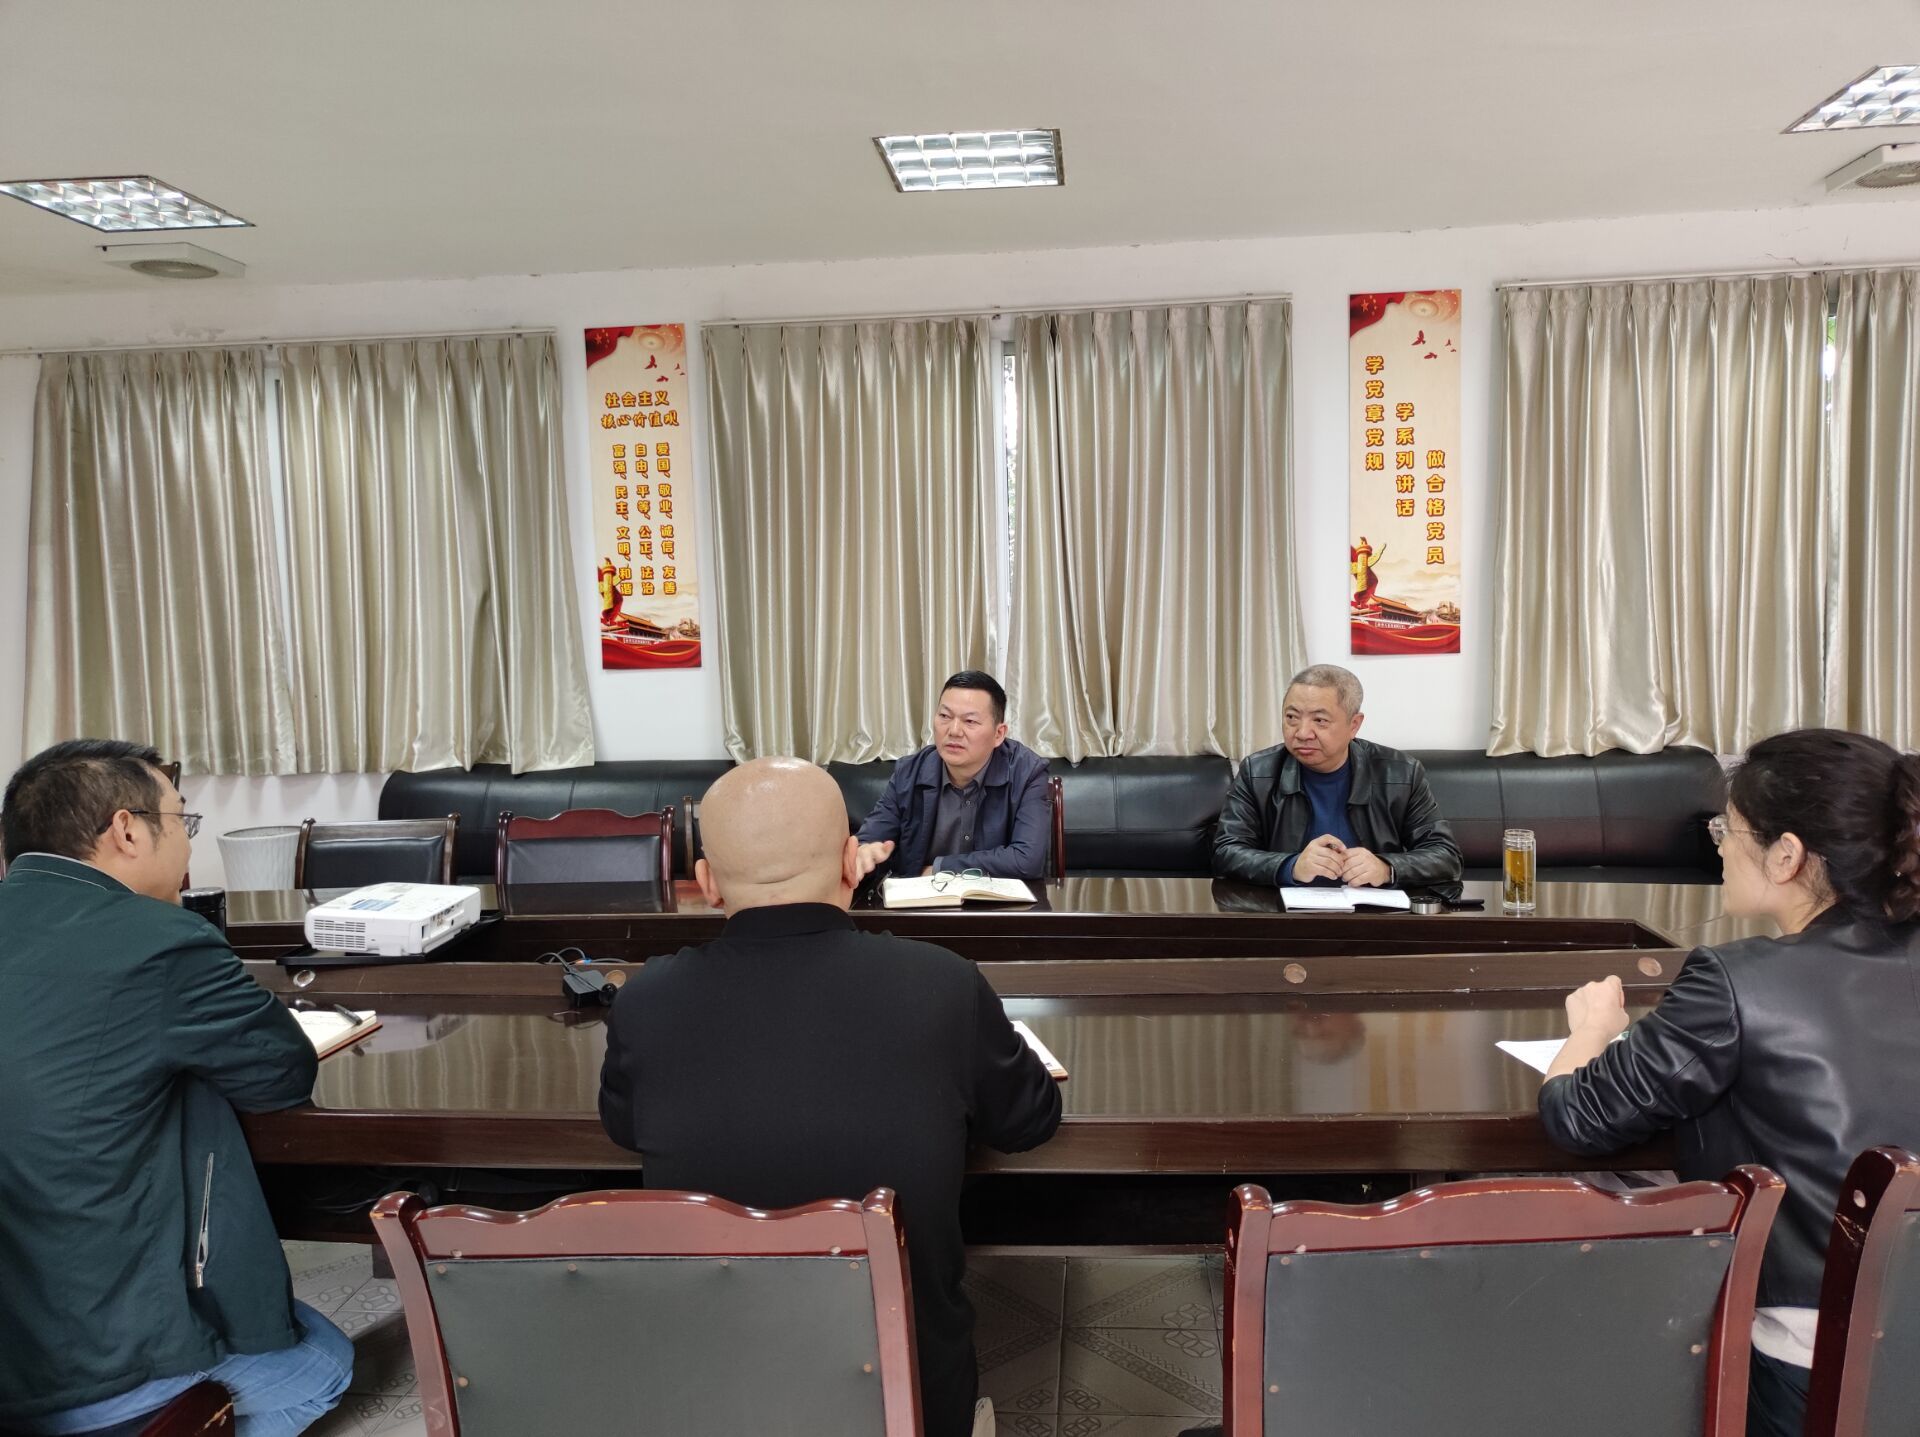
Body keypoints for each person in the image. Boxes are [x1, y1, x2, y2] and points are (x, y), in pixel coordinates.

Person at [599, 757, 1063, 1437]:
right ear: (852, 863)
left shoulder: (645, 1002)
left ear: (706, 883)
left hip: (719, 1401)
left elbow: (622, 1126)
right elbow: (1031, 1120)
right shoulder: (941, 985)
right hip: (910, 1402)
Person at [1538, 728, 1920, 1437]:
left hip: (1814, 1369)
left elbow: (1579, 1117)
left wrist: (1590, 1028)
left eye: (1728, 828)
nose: (1718, 845)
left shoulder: (1738, 980)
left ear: (1787, 854)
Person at [0, 740, 351, 1437]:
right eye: (182, 820)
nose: (188, 843)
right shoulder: (159, 938)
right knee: (324, 1364)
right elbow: (281, 1072)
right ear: (127, 830)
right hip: (92, 1358)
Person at [1212, 663, 1463, 889]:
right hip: (1286, 914)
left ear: (1354, 725)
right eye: (1291, 717)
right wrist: (1291, 866)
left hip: (1373, 913)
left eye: (1320, 720)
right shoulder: (1257, 772)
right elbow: (1226, 852)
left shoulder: (1401, 773)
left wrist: (1386, 868)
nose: (1302, 733)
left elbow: (1445, 856)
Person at [853, 669, 1052, 881]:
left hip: (997, 900)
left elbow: (1027, 860)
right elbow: (872, 839)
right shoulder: (909, 772)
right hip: (921, 899)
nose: (954, 730)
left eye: (970, 721)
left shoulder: (1027, 772)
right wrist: (864, 852)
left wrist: (940, 869)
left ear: (998, 734)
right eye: (945, 716)